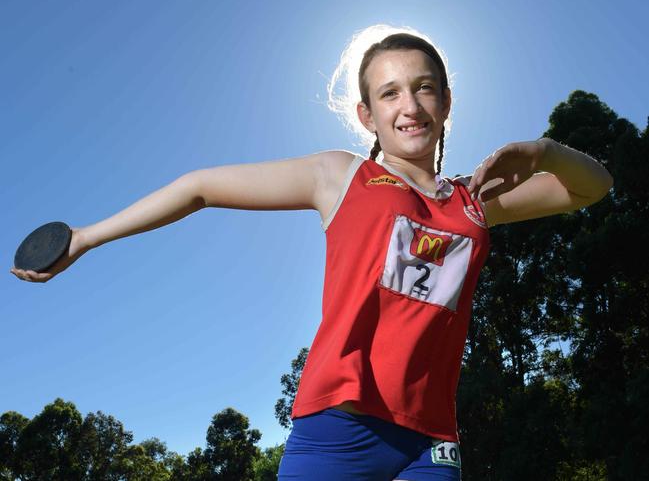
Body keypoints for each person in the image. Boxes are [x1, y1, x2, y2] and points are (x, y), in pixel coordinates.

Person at [11, 25, 613, 480]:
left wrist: (542, 149)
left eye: (424, 88)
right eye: (390, 93)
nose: (410, 106)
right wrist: (87, 236)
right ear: (367, 115)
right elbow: (197, 188)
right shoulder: (340, 177)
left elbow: (592, 187)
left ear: (447, 101)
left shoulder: (474, 202)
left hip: (430, 440)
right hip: (337, 424)